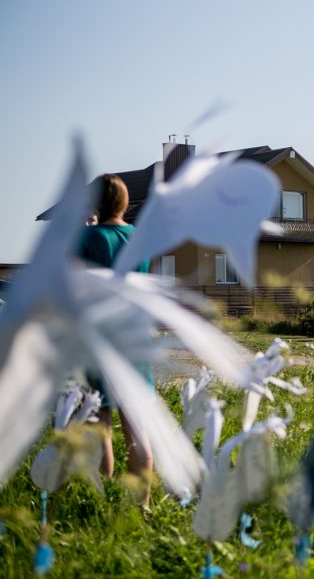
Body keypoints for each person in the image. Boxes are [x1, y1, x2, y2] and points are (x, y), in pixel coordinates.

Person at [78, 173, 154, 506]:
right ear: (125, 203)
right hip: (136, 339)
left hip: (99, 340)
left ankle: (101, 504)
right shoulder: (139, 239)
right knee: (137, 431)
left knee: (101, 427)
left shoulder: (86, 238)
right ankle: (143, 508)